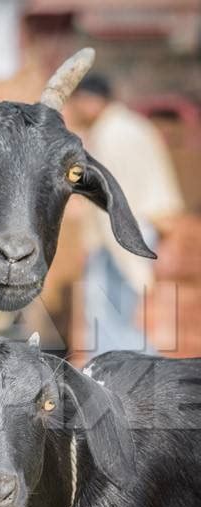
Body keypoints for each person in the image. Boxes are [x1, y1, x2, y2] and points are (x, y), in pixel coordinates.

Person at [65, 74, 184, 356]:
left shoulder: (110, 135)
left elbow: (112, 202)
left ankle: (131, 375)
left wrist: (110, 250)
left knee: (106, 314)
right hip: (138, 229)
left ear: (90, 101)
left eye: (77, 102)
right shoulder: (131, 126)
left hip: (121, 233)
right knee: (115, 314)